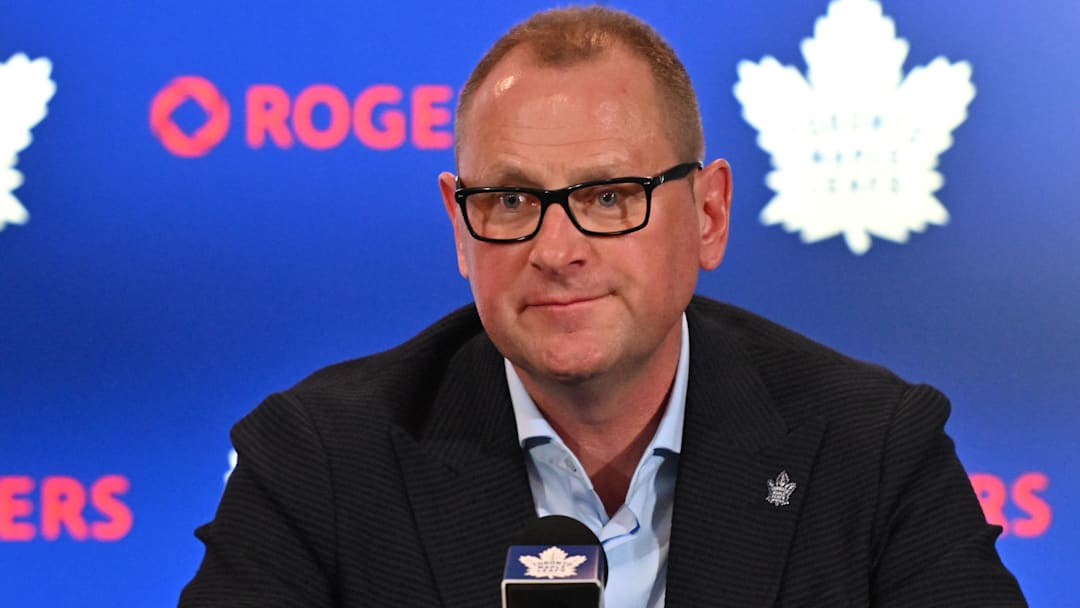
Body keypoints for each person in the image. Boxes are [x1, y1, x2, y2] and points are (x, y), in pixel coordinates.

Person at [179, 6, 1026, 607]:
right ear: (462, 228)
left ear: (709, 215)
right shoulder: (321, 461)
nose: (557, 250)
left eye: (611, 196)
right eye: (511, 201)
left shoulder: (871, 450)